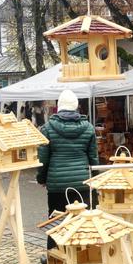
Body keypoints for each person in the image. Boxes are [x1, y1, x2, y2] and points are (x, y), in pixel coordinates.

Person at [38, 90, 97, 247]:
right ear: (76, 106)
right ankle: (82, 254)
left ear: (59, 107)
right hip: (82, 182)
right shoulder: (89, 128)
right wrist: (94, 179)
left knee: (56, 221)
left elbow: (43, 159)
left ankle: (54, 254)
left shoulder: (47, 128)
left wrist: (41, 178)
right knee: (82, 222)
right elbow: (94, 158)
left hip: (57, 183)